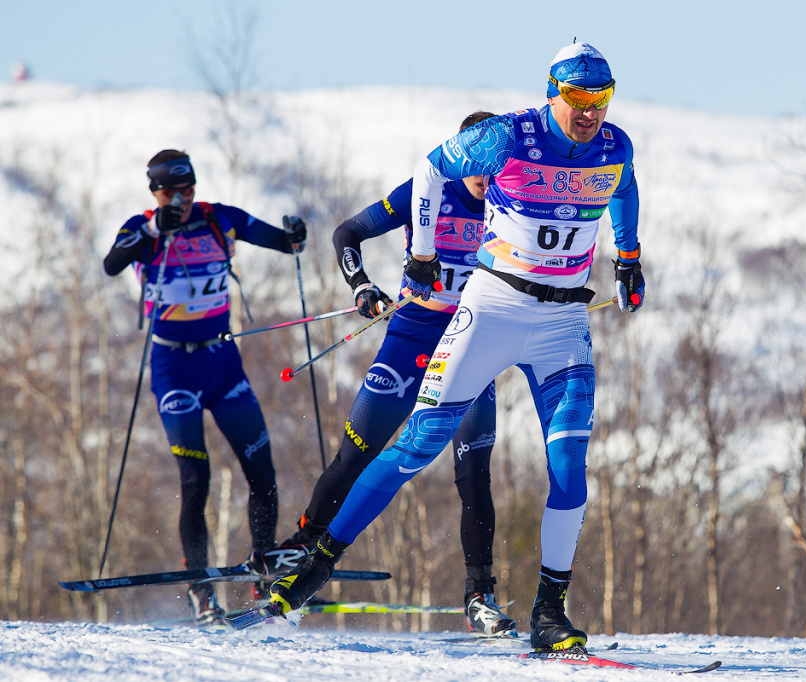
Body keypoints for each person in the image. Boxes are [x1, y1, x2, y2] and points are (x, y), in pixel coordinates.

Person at [265, 42, 645, 652]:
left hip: (562, 325)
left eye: (600, 99)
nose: (589, 111)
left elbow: (624, 187)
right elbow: (430, 168)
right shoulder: (505, 137)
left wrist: (627, 258)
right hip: (492, 309)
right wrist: (419, 255)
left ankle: (549, 611)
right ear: (553, 91)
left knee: (570, 467)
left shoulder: (614, 145)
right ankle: (317, 563)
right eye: (576, 98)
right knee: (417, 445)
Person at [245, 112, 516, 636]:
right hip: (411, 336)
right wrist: (362, 287)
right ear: (460, 155)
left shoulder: (512, 200)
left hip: (471, 343)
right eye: (479, 161)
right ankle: (301, 550)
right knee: (358, 451)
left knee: (473, 473)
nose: (489, 173)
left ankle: (479, 595)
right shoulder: (425, 190)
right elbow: (348, 232)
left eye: (498, 162)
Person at [102, 150, 307, 626]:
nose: (183, 199)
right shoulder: (141, 228)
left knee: (262, 469)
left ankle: (263, 567)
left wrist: (294, 236)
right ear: (155, 194)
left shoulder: (221, 220)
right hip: (175, 368)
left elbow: (281, 243)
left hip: (222, 363)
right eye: (172, 192)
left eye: (189, 189)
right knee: (196, 481)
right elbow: (113, 264)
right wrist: (156, 230)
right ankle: (200, 590)